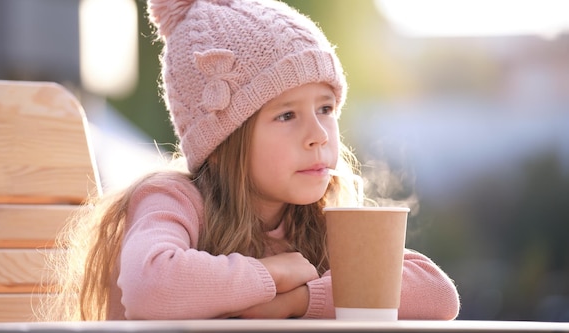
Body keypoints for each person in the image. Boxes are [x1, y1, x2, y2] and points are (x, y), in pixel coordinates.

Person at [40, 0, 460, 321]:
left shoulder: (316, 217)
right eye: (286, 115)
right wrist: (272, 274)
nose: (317, 135)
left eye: (326, 108)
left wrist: (301, 300)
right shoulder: (173, 200)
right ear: (223, 142)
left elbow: (438, 295)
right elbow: (150, 286)